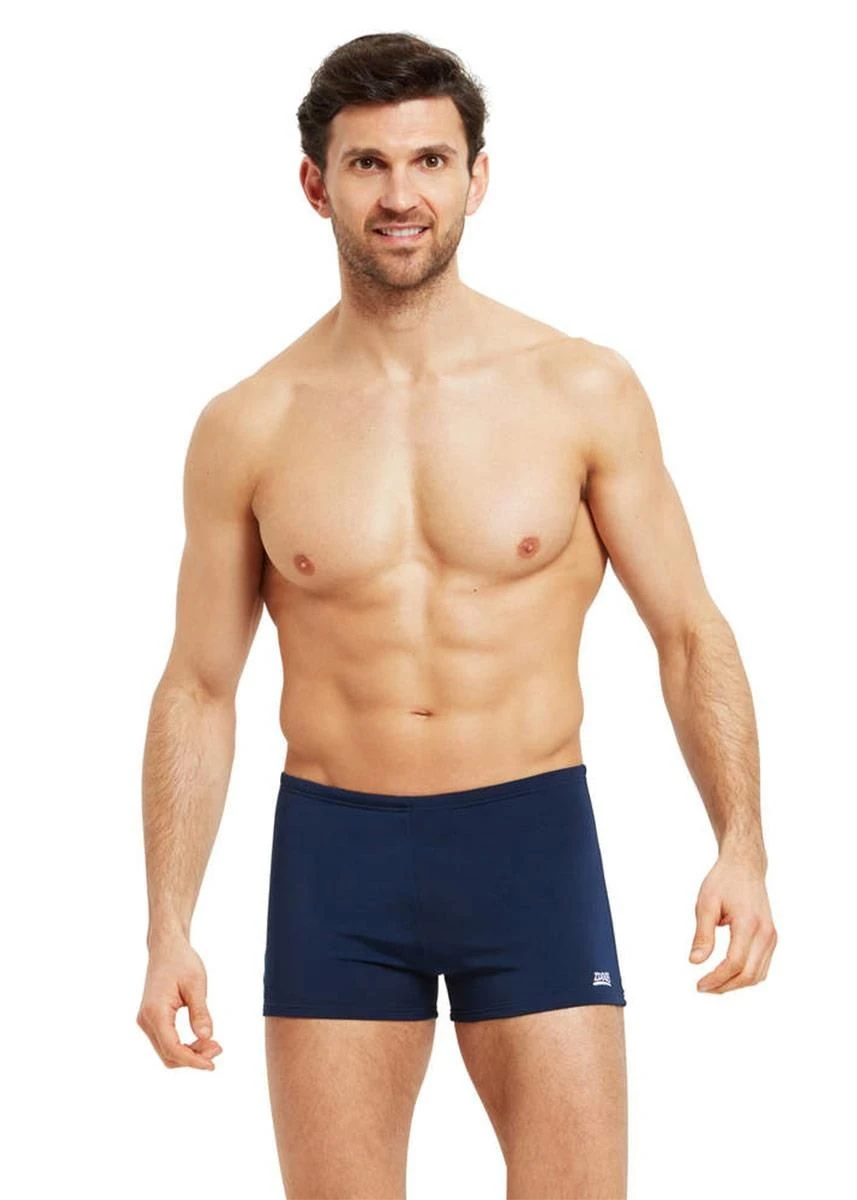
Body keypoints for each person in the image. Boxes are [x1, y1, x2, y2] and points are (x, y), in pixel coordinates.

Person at [136, 30, 777, 1200]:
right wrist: (166, 925)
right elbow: (200, 686)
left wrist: (740, 842)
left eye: (429, 161)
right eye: (368, 164)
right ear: (315, 185)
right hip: (336, 858)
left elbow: (689, 630)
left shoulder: (579, 389)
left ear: (476, 178)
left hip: (528, 843)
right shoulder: (249, 425)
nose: (400, 195)